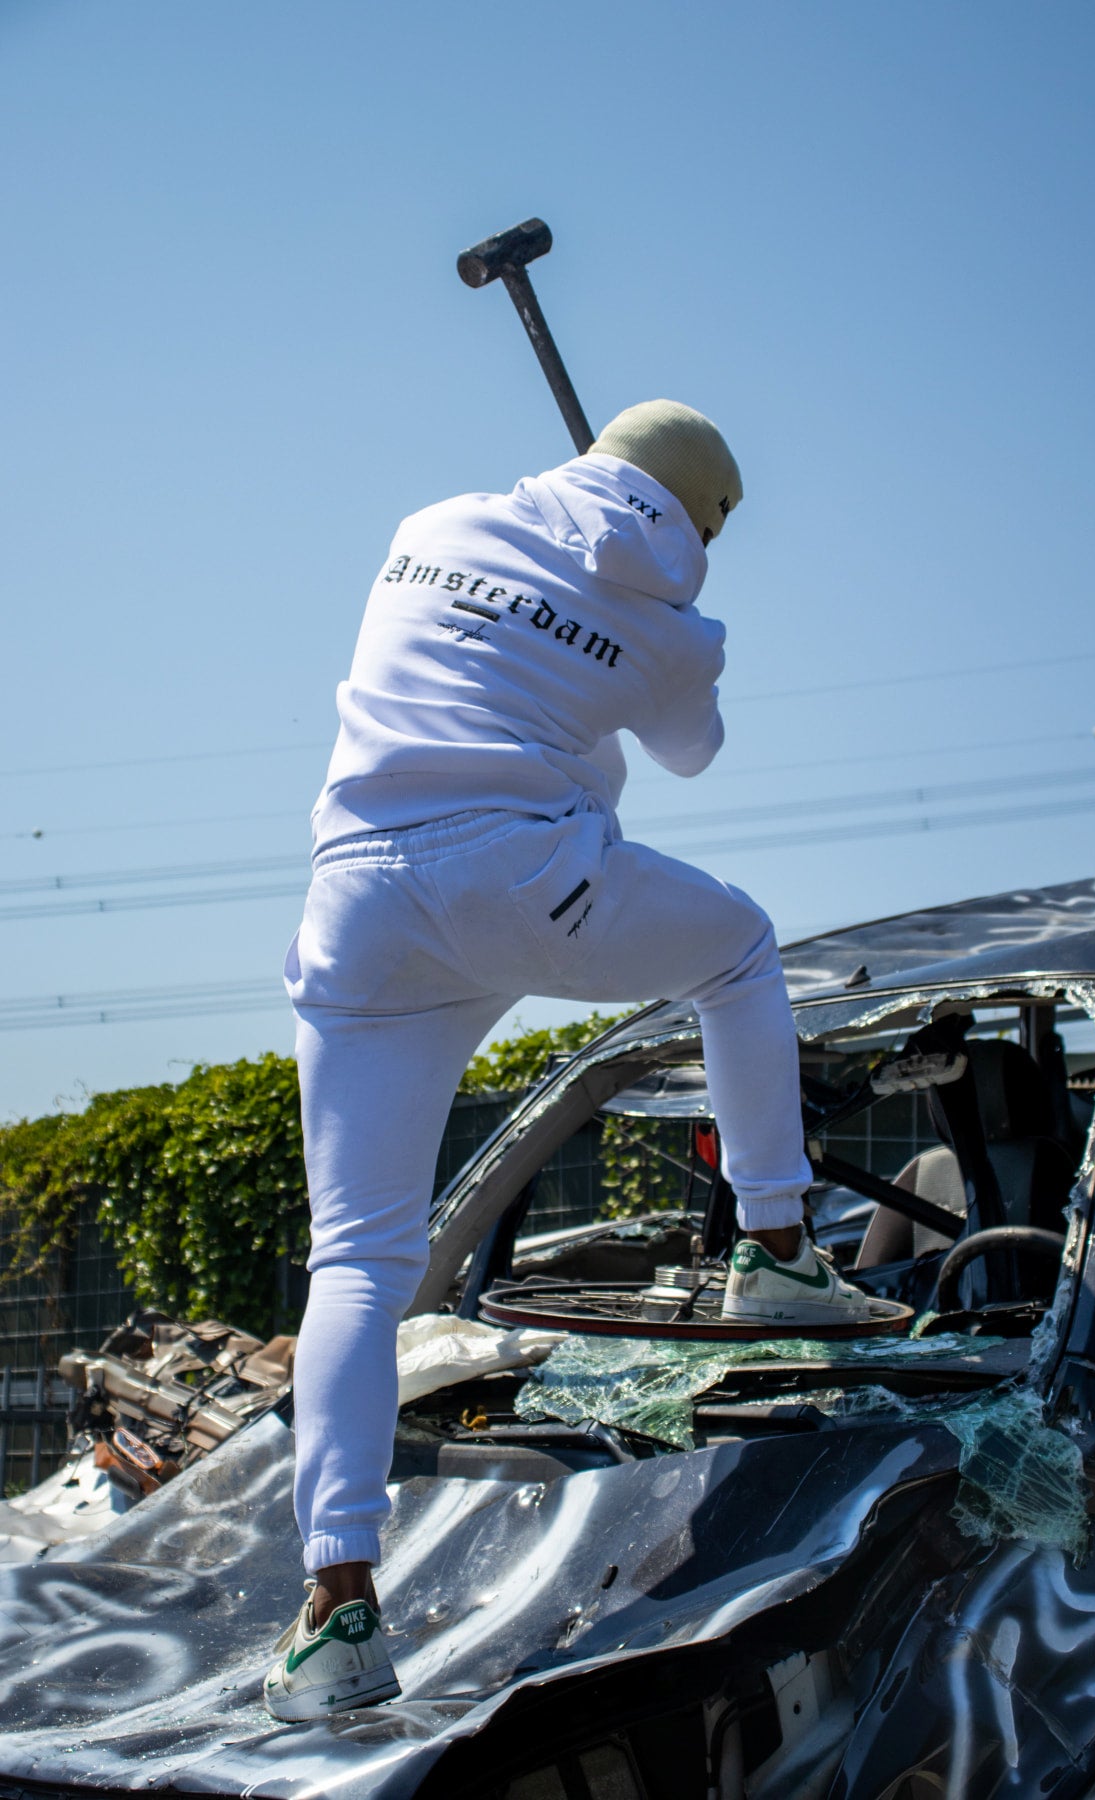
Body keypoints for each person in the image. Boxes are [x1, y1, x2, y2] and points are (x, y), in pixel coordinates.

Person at [263, 400, 873, 1721]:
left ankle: (336, 1618)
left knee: (358, 1259)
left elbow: (511, 672)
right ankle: (773, 1249)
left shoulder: (430, 525)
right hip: (522, 872)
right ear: (701, 523)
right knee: (738, 950)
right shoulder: (675, 628)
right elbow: (689, 754)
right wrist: (671, 649)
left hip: (358, 899)